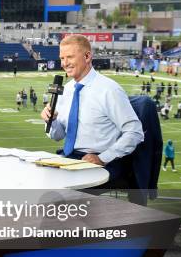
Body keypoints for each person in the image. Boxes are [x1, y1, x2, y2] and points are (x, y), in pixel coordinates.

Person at [40, 35, 143, 186]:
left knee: (59, 195)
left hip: (102, 163)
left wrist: (103, 157)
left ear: (87, 56)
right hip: (69, 158)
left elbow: (135, 132)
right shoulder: (66, 90)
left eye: (69, 57)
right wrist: (52, 121)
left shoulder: (109, 89)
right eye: (62, 58)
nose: (64, 63)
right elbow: (58, 136)